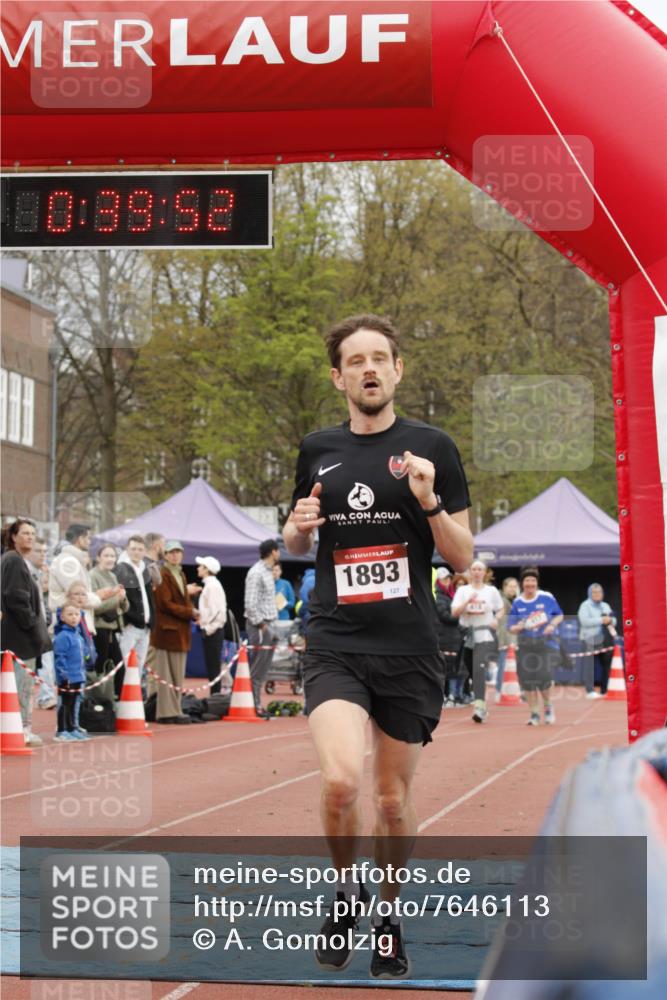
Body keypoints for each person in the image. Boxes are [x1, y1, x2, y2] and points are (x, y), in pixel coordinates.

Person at [283, 313, 472, 978]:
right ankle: (344, 890)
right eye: (354, 360)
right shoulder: (316, 448)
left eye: (379, 358)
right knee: (340, 783)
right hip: (335, 638)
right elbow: (298, 541)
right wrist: (298, 527)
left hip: (408, 644)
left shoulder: (432, 447)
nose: (368, 369)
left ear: (397, 370)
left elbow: (461, 556)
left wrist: (427, 503)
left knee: (390, 800)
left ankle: (387, 914)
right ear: (337, 376)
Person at [0, 518, 52, 746]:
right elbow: (15, 597)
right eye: (25, 533)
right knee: (21, 686)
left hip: (17, 636)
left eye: (33, 533)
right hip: (19, 638)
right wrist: (32, 625)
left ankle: (16, 728)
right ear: (13, 536)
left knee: (16, 686)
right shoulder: (13, 561)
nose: (30, 537)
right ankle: (19, 729)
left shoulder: (16, 561)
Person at [151, 539, 200, 724]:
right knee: (166, 675)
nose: (175, 555)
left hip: (180, 632)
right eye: (171, 552)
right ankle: (165, 713)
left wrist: (191, 611)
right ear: (165, 555)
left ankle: (176, 709)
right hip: (165, 632)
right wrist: (190, 612)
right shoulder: (162, 574)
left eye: (178, 552)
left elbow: (181, 601)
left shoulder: (181, 574)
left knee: (177, 674)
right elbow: (165, 604)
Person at [508, 566, 564, 726]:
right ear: (522, 583)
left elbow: (559, 614)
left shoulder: (546, 597)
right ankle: (534, 713)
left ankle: (547, 706)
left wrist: (552, 625)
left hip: (545, 642)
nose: (530, 583)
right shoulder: (518, 602)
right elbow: (511, 626)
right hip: (526, 644)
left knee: (543, 677)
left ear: (537, 583)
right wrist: (520, 626)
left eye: (533, 580)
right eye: (527, 581)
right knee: (527, 680)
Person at [451, 559, 503, 723]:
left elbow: (500, 609)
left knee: (479, 670)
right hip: (467, 636)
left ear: (485, 573)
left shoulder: (491, 591)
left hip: (484, 635)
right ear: (469, 572)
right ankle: (481, 701)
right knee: (471, 672)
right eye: (473, 569)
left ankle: (479, 707)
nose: (476, 572)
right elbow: (455, 612)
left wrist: (496, 619)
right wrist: (468, 601)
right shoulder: (463, 591)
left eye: (480, 569)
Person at [49, 524, 119, 632]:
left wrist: (98, 595)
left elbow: (81, 594)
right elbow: (77, 598)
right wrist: (99, 597)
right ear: (80, 539)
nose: (90, 542)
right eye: (88, 538)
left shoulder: (74, 561)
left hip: (78, 624)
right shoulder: (68, 562)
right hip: (69, 626)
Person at [244, 539, 281, 719]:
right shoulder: (256, 572)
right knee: (257, 668)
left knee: (264, 668)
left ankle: (257, 703)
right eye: (278, 551)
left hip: (270, 623)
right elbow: (250, 603)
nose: (279, 554)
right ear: (273, 552)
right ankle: (253, 704)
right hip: (260, 625)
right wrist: (262, 625)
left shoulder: (267, 573)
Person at [115, 535, 155, 696]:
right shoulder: (121, 569)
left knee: (138, 668)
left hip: (145, 626)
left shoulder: (144, 569)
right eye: (133, 549)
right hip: (130, 626)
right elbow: (119, 597)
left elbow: (148, 596)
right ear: (127, 549)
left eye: (140, 549)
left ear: (144, 551)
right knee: (125, 666)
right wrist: (127, 619)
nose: (137, 552)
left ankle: (134, 705)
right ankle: (122, 703)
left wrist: (151, 620)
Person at [89, 544, 129, 698]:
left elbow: (123, 607)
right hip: (98, 629)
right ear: (98, 558)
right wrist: (116, 599)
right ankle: (97, 703)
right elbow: (94, 606)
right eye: (106, 555)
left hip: (112, 628)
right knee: (100, 669)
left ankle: (115, 702)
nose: (110, 559)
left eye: (112, 556)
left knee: (119, 669)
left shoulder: (113, 576)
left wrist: (123, 598)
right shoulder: (92, 576)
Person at [27, 536, 57, 710]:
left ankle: (46, 696)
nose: (42, 555)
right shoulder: (26, 571)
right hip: (32, 628)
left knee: (47, 664)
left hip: (46, 625)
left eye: (45, 551)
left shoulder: (46, 570)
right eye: (38, 551)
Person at [53, 602, 88, 742]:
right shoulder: (63, 636)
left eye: (76, 614)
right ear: (62, 617)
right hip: (67, 677)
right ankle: (62, 730)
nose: (74, 617)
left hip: (78, 676)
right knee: (65, 703)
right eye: (70, 614)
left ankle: (72, 728)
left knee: (74, 703)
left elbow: (83, 654)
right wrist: (63, 676)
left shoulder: (78, 635)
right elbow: (59, 657)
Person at [577, 583, 617, 697]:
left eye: (599, 592)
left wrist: (609, 620)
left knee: (607, 665)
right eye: (594, 592)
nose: (597, 594)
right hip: (589, 639)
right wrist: (601, 620)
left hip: (605, 639)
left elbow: (614, 620)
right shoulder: (585, 605)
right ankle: (590, 691)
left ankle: (605, 690)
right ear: (590, 593)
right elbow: (584, 621)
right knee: (590, 666)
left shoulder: (606, 605)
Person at [196, 555, 227, 695]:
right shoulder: (211, 585)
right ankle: (215, 696)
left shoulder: (212, 586)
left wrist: (208, 629)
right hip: (211, 630)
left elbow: (218, 613)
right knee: (213, 668)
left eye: (201, 566)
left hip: (213, 632)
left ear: (207, 570)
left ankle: (215, 697)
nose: (198, 568)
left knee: (214, 668)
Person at [434, 568, 465, 707]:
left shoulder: (450, 596)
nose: (447, 582)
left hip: (453, 637)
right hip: (445, 637)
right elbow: (445, 616)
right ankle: (446, 696)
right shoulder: (439, 597)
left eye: (448, 579)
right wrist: (461, 616)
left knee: (454, 668)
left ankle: (453, 695)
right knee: (446, 669)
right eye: (444, 579)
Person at [495, 576, 519, 696]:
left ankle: (511, 692)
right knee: (503, 666)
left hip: (512, 639)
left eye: (515, 586)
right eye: (510, 586)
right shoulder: (502, 601)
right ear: (504, 587)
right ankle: (499, 691)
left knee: (512, 667)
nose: (513, 589)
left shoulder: (513, 600)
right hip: (504, 640)